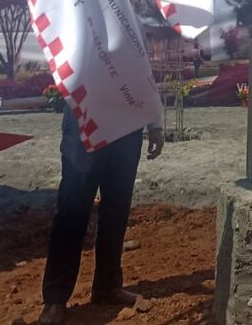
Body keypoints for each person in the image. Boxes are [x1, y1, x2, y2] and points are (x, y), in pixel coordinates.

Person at [37, 108, 165, 325]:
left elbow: (144, 79)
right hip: (85, 117)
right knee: (73, 207)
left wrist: (155, 124)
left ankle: (108, 286)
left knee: (117, 206)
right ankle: (55, 299)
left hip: (127, 125)